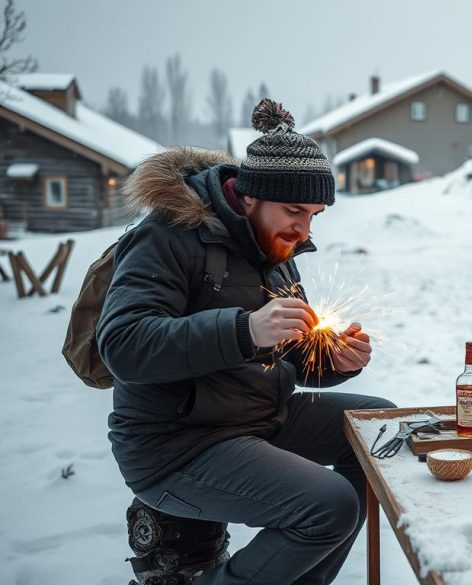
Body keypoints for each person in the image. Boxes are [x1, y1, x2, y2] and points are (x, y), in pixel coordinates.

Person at [97, 99, 395, 584]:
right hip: (179, 445)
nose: (304, 230)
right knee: (330, 506)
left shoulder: (276, 249)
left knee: (379, 428)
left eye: (315, 214)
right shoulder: (168, 236)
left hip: (260, 419)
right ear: (248, 196)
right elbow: (124, 345)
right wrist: (245, 328)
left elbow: (292, 353)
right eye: (294, 210)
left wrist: (336, 358)